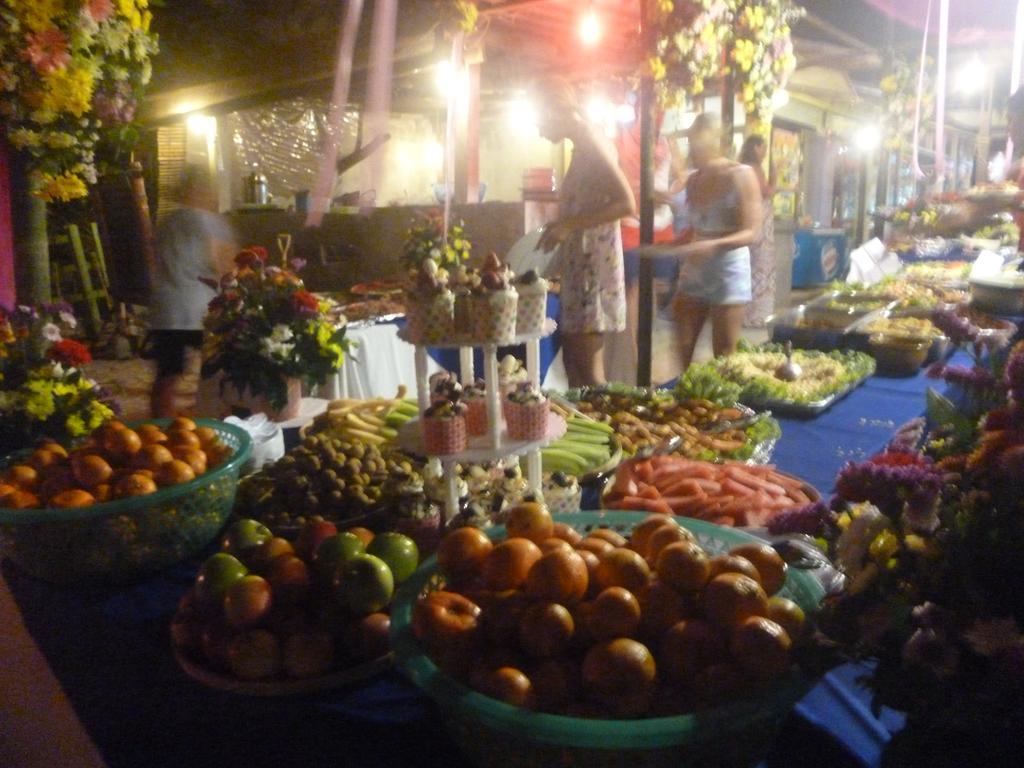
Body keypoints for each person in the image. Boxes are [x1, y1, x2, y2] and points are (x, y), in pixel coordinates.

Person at [537, 79, 636, 387]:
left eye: (540, 120)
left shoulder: (591, 139)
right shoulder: (582, 144)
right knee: (574, 365)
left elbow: (626, 203)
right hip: (582, 269)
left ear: (557, 111)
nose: (539, 131)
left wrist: (568, 225)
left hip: (594, 271)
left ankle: (608, 433)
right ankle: (595, 427)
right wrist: (560, 227)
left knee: (589, 373)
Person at [671, 113, 762, 370]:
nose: (692, 149)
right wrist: (672, 244)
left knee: (724, 355)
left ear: (713, 142)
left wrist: (711, 245)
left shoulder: (741, 174)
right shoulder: (694, 179)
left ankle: (724, 407)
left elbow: (751, 231)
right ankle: (686, 403)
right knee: (683, 346)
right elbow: (696, 227)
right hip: (696, 268)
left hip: (728, 268)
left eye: (695, 142)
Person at [148, 165, 237, 417]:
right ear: (202, 189)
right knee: (219, 371)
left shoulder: (166, 222)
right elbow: (223, 264)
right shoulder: (211, 222)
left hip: (166, 307)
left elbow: (155, 260)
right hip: (201, 307)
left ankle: (160, 428)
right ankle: (216, 422)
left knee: (167, 375)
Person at [738, 134, 777, 327]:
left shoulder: (743, 168)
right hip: (760, 228)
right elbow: (767, 192)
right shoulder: (754, 169)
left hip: (750, 224)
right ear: (756, 148)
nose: (765, 152)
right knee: (760, 268)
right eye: (764, 148)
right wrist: (776, 173)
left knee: (751, 269)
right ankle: (756, 316)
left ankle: (746, 314)